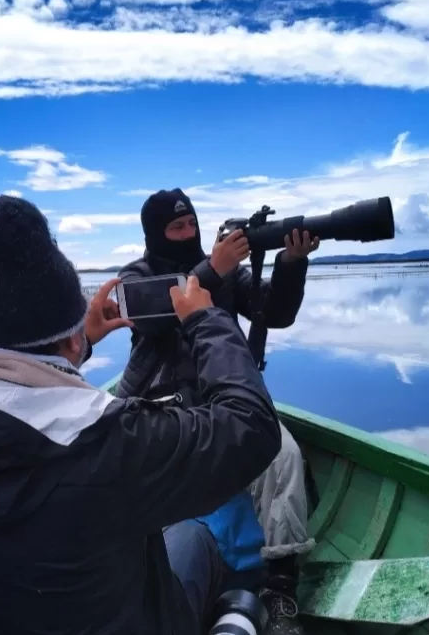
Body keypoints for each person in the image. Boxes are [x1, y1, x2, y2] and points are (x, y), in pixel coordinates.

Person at [0, 194, 285, 635]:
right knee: (196, 540)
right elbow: (252, 428)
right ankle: (240, 613)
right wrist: (206, 320)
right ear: (71, 336)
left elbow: (12, 386)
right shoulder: (112, 441)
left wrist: (77, 349)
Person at [116, 188, 320, 635]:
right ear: (156, 233)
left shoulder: (226, 274)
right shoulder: (138, 275)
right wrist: (213, 270)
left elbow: (276, 313)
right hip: (163, 407)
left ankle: (281, 586)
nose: (187, 232)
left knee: (284, 455)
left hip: (227, 404)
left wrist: (291, 263)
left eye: (191, 223)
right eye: (176, 227)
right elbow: (151, 314)